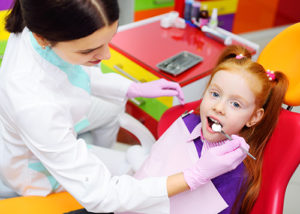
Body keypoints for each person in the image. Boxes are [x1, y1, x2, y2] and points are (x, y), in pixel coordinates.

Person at [0, 0, 248, 213]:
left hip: (55, 120)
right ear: (43, 38)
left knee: (112, 110)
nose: (106, 56)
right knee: (128, 174)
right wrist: (194, 177)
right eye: (90, 50)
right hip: (37, 172)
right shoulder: (33, 104)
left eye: (110, 38)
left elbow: (66, 71)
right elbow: (103, 195)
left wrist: (132, 88)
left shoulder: (37, 20)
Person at [126, 45, 289, 214]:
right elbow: (152, 166)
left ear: (254, 117)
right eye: (215, 94)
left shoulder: (234, 173)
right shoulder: (187, 123)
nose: (218, 107)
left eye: (235, 104)